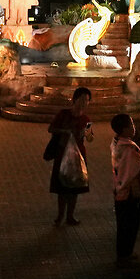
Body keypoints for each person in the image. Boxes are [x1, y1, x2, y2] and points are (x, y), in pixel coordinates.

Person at [110, 113, 140, 266]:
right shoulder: (129, 149)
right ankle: (124, 257)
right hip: (128, 192)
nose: (134, 128)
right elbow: (137, 169)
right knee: (130, 225)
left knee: (123, 225)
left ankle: (124, 254)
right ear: (123, 129)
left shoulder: (116, 143)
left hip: (118, 189)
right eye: (131, 125)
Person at [49, 87, 94, 226]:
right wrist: (65, 131)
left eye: (87, 100)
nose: (84, 103)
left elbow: (91, 138)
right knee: (62, 187)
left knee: (75, 187)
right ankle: (60, 215)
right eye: (81, 99)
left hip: (78, 156)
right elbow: (51, 129)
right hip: (62, 154)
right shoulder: (64, 114)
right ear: (74, 100)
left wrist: (87, 134)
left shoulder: (86, 119)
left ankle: (70, 216)